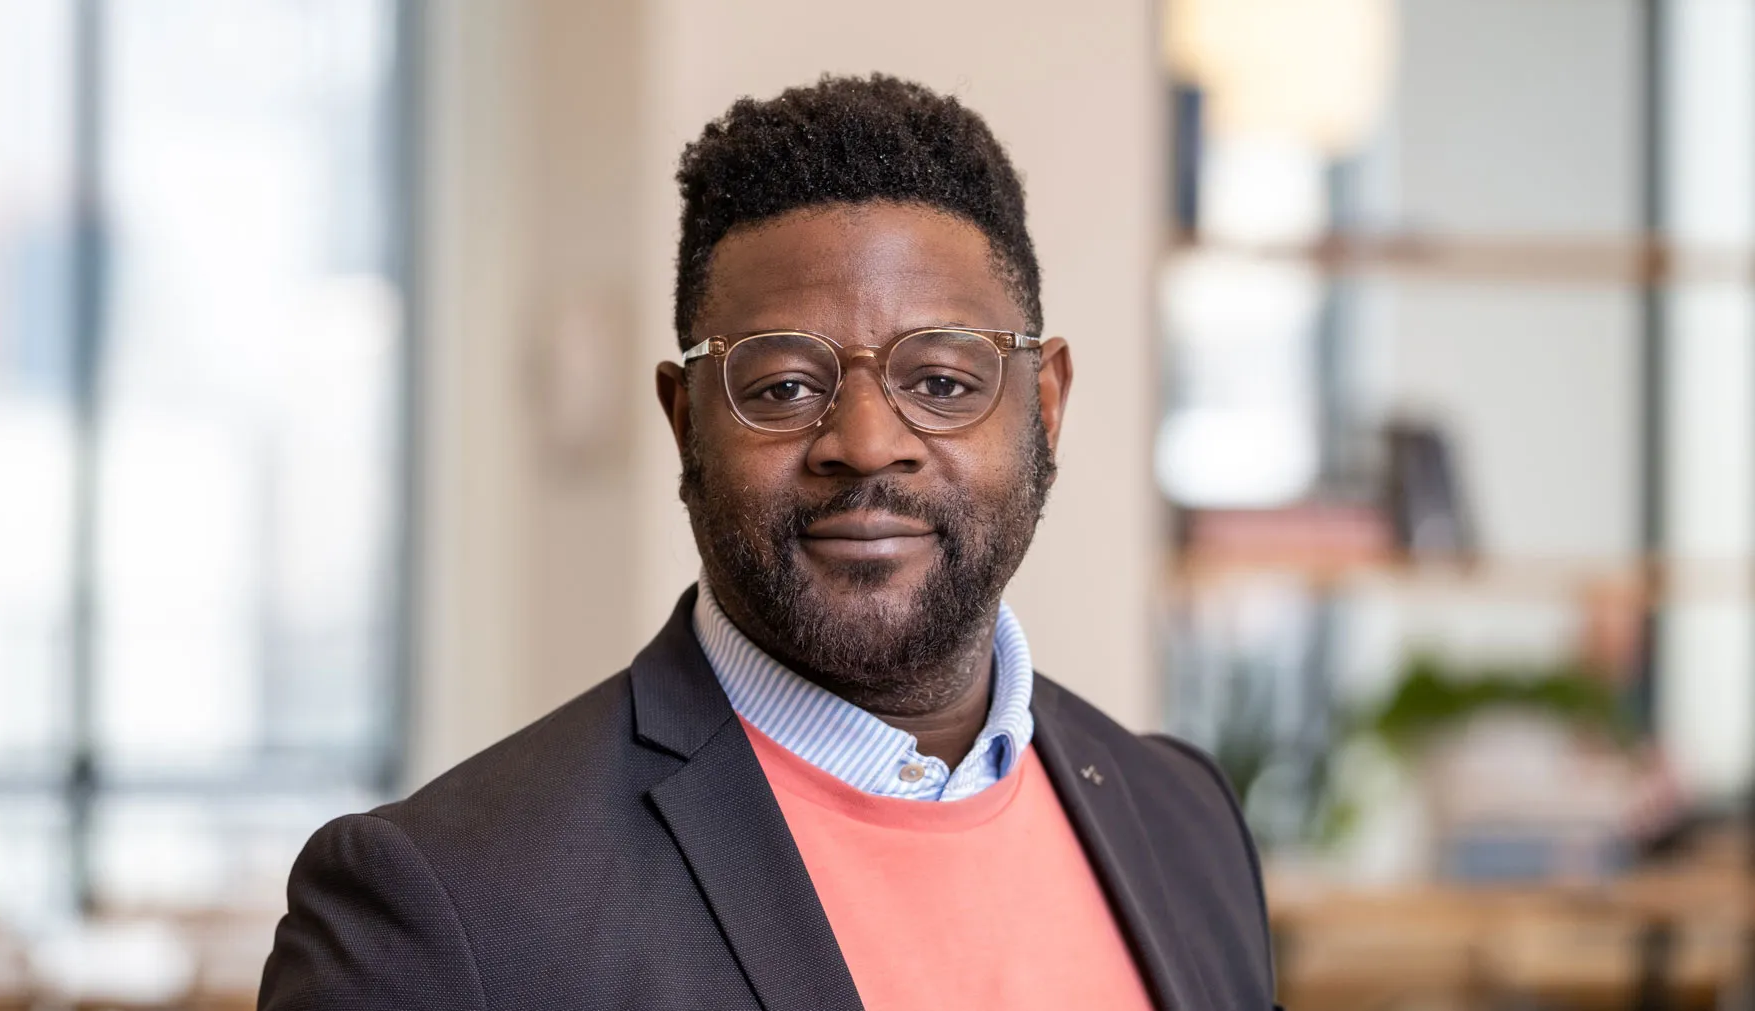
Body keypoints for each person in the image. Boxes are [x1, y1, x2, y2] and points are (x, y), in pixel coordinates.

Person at [258, 74, 1274, 1011]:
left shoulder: (1183, 824)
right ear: (686, 420)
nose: (868, 443)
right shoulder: (451, 912)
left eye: (942, 382)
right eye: (784, 385)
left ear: (1045, 406)